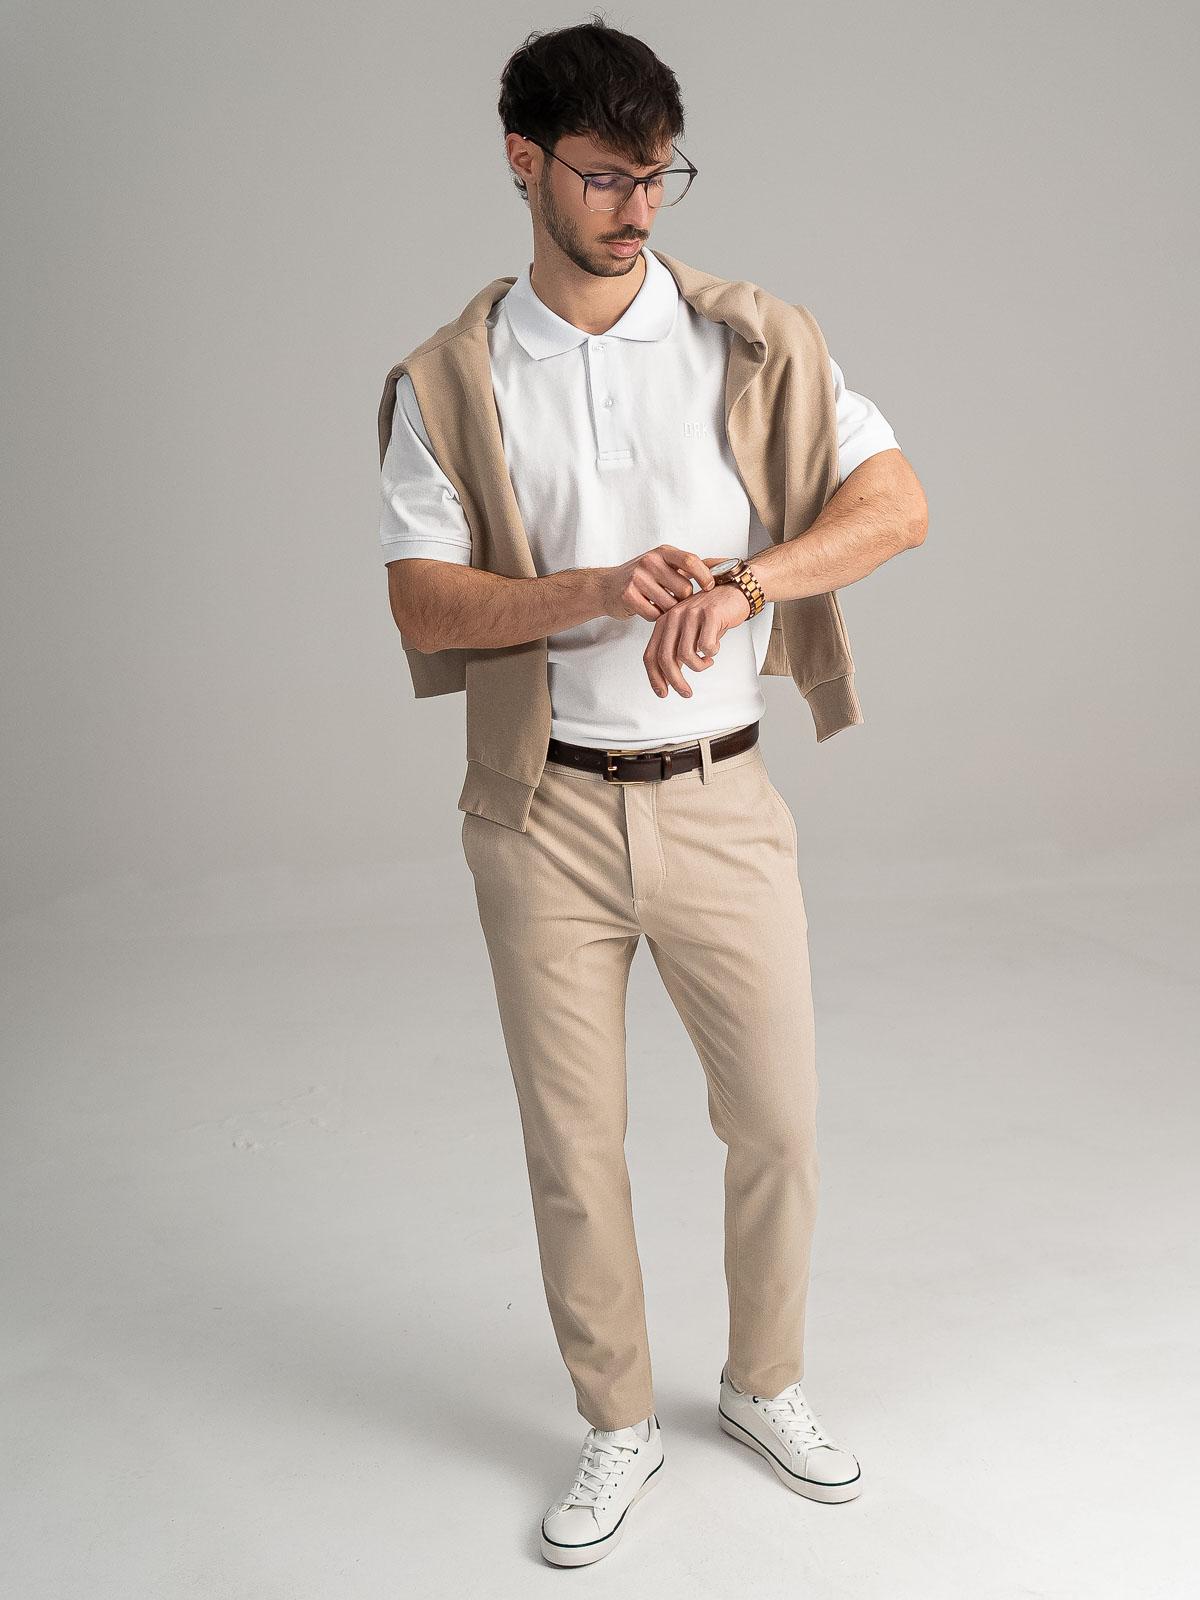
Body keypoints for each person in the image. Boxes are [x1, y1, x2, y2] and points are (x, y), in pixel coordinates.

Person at [377, 17, 927, 1568]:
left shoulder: (753, 341)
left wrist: (747, 582)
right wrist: (594, 588)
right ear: (524, 164)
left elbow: (897, 504)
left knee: (780, 1124)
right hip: (541, 811)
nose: (637, 208)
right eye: (605, 177)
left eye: (660, 175)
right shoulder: (453, 378)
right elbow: (421, 599)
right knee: (575, 1147)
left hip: (721, 799)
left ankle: (763, 1384)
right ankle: (616, 1420)